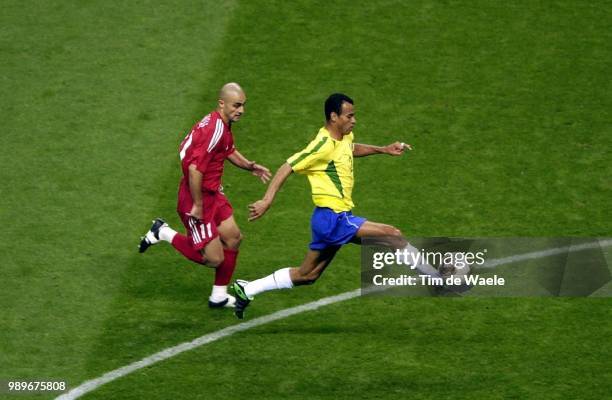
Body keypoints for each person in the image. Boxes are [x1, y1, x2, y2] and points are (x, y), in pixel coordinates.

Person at [231, 93, 447, 319]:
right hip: (333, 218)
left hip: (328, 219)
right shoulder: (322, 144)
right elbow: (288, 166)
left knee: (307, 275)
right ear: (334, 117)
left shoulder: (344, 137)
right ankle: (437, 278)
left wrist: (382, 149)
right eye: (349, 116)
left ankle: (248, 289)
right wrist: (267, 200)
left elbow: (351, 149)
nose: (354, 121)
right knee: (392, 235)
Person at [139, 82, 271, 309]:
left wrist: (249, 166)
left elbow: (227, 149)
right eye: (236, 105)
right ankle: (163, 232)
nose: (241, 110)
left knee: (233, 237)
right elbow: (194, 169)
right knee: (214, 258)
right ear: (222, 103)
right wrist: (198, 205)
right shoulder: (215, 129)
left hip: (212, 193)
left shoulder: (220, 123)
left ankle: (218, 296)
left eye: (243, 105)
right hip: (195, 197)